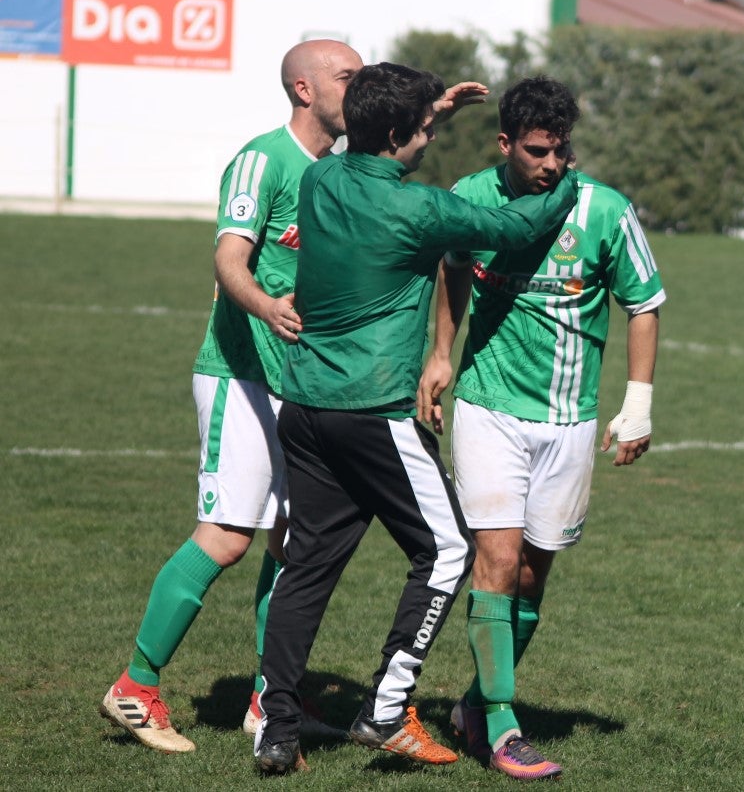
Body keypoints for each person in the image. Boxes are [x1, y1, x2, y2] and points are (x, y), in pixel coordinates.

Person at [252, 62, 580, 775]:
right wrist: (570, 181)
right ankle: (385, 710)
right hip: (370, 410)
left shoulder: (321, 180)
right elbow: (515, 226)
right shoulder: (419, 209)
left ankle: (276, 728)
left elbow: (370, 142)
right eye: (427, 128)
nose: (433, 136)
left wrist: (424, 108)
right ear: (399, 133)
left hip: (303, 405)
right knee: (449, 552)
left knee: (307, 566)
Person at [99, 38, 363, 754]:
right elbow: (228, 257)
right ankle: (136, 686)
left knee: (294, 541)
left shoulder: (339, 171)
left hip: (297, 382)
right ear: (305, 89)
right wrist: (265, 306)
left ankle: (267, 702)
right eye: (348, 76)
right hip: (239, 375)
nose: (360, 87)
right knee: (226, 536)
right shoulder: (262, 159)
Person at [417, 75, 664, 781]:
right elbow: (454, 267)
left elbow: (643, 303)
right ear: (505, 144)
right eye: (535, 151)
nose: (551, 164)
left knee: (531, 574)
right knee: (494, 563)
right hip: (490, 410)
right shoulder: (472, 197)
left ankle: (473, 704)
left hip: (570, 420)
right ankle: (501, 727)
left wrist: (637, 402)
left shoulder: (605, 210)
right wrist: (442, 353)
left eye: (559, 151)